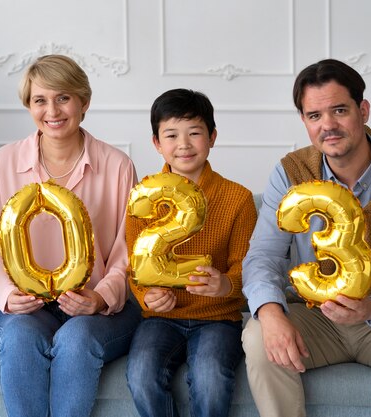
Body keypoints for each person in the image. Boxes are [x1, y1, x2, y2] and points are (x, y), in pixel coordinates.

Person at [241, 58, 371, 417]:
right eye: (314, 116)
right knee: (258, 334)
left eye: (339, 110)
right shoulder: (291, 173)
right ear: (305, 122)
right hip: (316, 318)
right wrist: (271, 312)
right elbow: (263, 255)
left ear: (363, 110)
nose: (328, 125)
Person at [0, 54, 141, 417]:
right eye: (40, 100)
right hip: (29, 306)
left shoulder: (118, 166)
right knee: (20, 337)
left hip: (97, 310)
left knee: (76, 338)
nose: (52, 110)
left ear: (83, 102)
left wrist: (100, 299)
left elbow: (126, 251)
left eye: (63, 97)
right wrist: (7, 295)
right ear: (28, 106)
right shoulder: (4, 163)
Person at [125, 89, 257, 417]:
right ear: (156, 143)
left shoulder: (236, 198)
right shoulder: (143, 197)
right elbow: (135, 264)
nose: (183, 144)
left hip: (217, 319)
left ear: (212, 137)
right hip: (161, 318)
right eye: (171, 135)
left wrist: (226, 284)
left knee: (211, 377)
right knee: (141, 373)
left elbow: (248, 265)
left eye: (194, 133)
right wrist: (147, 295)